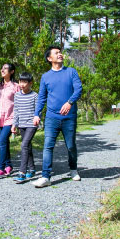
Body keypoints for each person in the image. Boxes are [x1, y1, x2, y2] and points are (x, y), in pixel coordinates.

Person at [32, 45, 83, 188]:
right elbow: (42, 97)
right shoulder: (45, 77)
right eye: (56, 53)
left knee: (71, 146)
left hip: (69, 117)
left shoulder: (71, 72)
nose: (60, 54)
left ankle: (73, 169)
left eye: (60, 52)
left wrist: (70, 102)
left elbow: (78, 89)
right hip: (51, 118)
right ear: (50, 58)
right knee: (48, 146)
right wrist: (37, 114)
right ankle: (45, 176)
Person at [11, 72, 39, 184]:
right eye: (20, 81)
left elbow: (38, 110)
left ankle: (22, 172)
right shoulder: (17, 95)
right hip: (21, 124)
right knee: (28, 146)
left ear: (30, 83)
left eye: (25, 82)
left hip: (32, 124)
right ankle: (32, 169)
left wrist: (37, 118)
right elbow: (16, 111)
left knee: (24, 145)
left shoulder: (35, 96)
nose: (22, 84)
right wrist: (14, 124)